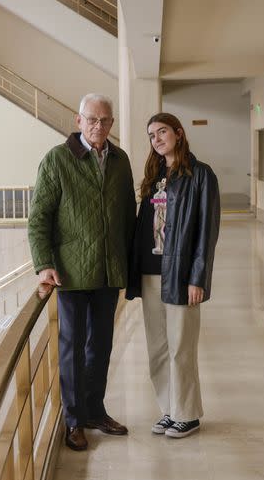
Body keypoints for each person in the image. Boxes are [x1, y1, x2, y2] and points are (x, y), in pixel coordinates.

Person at [28, 93, 136, 451]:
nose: (98, 126)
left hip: (108, 272)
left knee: (101, 345)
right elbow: (39, 217)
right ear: (78, 121)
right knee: (72, 347)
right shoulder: (57, 160)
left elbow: (128, 219)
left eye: (105, 120)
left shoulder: (120, 161)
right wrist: (44, 264)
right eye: (92, 119)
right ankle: (73, 420)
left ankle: (94, 410)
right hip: (71, 274)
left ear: (112, 124)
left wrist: (130, 267)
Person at [127, 112, 220, 438]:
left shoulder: (201, 175)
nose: (157, 139)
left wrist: (198, 277)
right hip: (151, 273)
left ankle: (188, 414)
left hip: (180, 274)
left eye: (162, 131)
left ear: (179, 133)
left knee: (181, 347)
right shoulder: (155, 177)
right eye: (152, 135)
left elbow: (207, 233)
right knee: (159, 348)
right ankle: (170, 408)